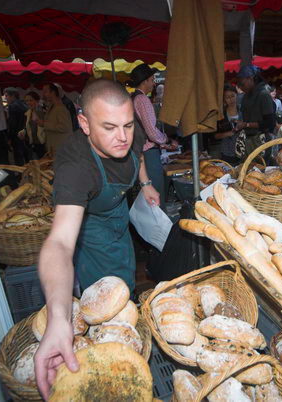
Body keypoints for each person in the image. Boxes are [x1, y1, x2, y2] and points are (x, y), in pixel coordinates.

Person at [34, 79, 159, 398]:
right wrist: (58, 319)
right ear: (84, 123)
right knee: (103, 295)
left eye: (128, 125)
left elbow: (139, 156)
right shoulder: (76, 166)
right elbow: (60, 242)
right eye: (109, 127)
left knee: (126, 278)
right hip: (90, 225)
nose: (122, 137)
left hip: (119, 212)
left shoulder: (130, 130)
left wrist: (144, 185)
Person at [130, 64, 177, 212]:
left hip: (139, 151)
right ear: (144, 81)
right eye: (151, 79)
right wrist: (167, 140)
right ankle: (161, 231)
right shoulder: (143, 100)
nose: (154, 83)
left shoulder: (132, 98)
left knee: (147, 196)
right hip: (148, 154)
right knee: (156, 195)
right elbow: (151, 131)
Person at [235, 64, 276, 159]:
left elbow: (270, 123)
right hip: (248, 139)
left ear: (250, 78)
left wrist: (246, 125)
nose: (240, 87)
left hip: (261, 141)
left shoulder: (263, 95)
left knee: (261, 169)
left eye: (242, 84)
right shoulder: (246, 96)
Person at [39, 83, 73, 156]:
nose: (43, 94)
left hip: (60, 149)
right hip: (53, 148)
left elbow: (65, 127)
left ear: (53, 92)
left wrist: (44, 124)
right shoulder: (52, 107)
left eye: (45, 91)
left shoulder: (60, 108)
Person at [214, 85, 241, 165]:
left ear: (236, 95)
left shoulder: (243, 110)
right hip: (227, 153)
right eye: (227, 97)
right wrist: (229, 133)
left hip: (244, 152)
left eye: (232, 96)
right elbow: (215, 136)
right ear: (224, 99)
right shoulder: (221, 115)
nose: (231, 99)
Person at [3, 88, 30, 165]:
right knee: (27, 157)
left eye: (6, 96)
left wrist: (9, 138)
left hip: (16, 136)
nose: (5, 98)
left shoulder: (12, 106)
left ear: (13, 96)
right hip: (25, 135)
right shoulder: (24, 104)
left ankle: (21, 175)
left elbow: (12, 124)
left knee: (19, 159)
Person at [19, 91, 46, 160]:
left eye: (31, 100)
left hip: (43, 144)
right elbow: (29, 127)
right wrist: (23, 132)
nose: (28, 103)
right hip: (33, 144)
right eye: (26, 101)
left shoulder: (43, 112)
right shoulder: (29, 113)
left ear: (37, 100)